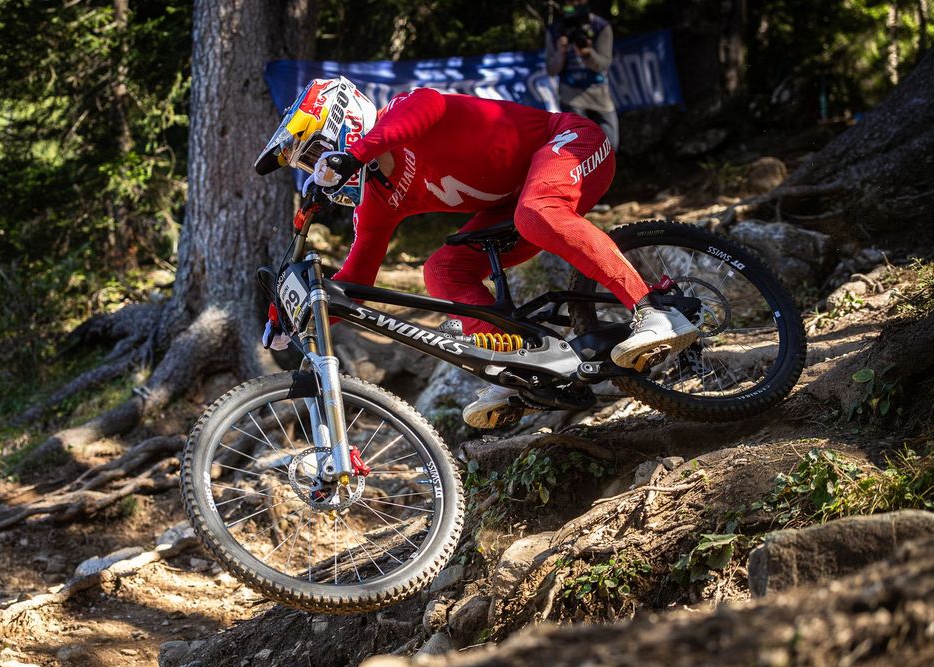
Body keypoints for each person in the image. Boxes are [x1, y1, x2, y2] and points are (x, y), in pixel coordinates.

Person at [255, 77, 695, 429]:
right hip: (516, 203)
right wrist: (293, 313)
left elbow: (431, 106)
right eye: (308, 165)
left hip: (571, 141)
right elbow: (356, 282)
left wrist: (356, 153)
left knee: (536, 211)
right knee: (442, 269)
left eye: (315, 153)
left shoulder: (404, 109)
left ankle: (655, 308)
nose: (316, 169)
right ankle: (518, 364)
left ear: (343, 120)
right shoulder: (378, 199)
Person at [545, 0, 618, 151]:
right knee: (580, 149)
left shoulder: (600, 26)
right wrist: (560, 53)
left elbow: (604, 64)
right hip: (570, 98)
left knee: (611, 146)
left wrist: (587, 54)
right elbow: (551, 70)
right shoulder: (555, 30)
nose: (575, 3)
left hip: (600, 96)